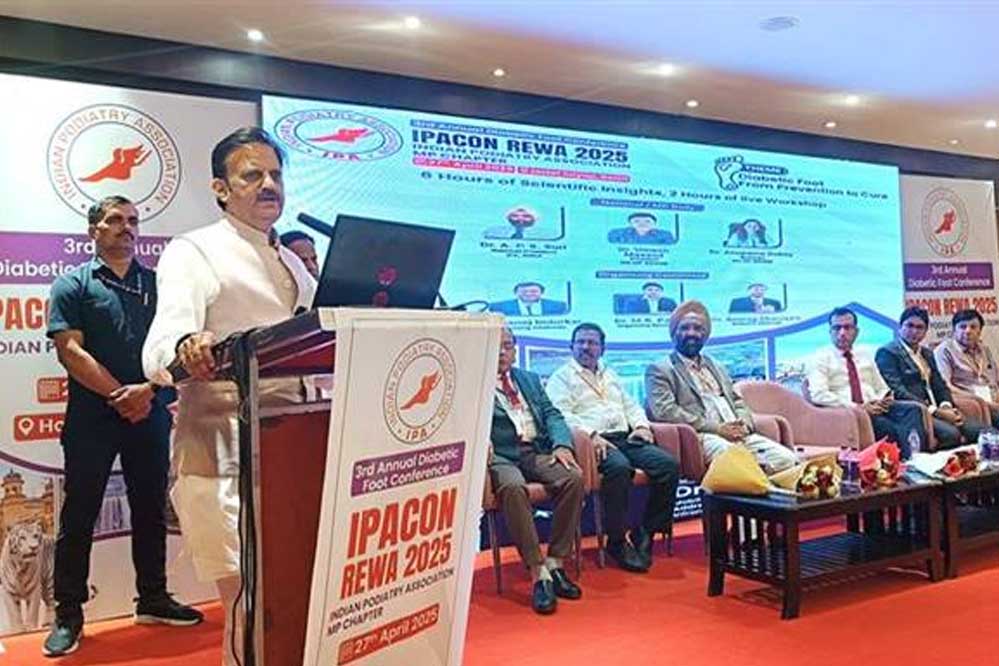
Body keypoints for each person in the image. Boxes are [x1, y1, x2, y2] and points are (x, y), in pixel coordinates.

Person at [142, 127, 315, 666]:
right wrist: (185, 347)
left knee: (293, 604)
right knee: (250, 607)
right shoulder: (195, 250)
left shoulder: (293, 264)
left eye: (276, 175)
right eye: (252, 175)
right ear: (220, 188)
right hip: (224, 456)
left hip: (298, 451)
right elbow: (158, 350)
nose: (270, 185)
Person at [44, 196, 202, 657]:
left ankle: (152, 598)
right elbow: (70, 352)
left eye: (133, 220)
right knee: (79, 514)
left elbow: (179, 348)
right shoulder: (72, 284)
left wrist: (146, 394)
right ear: (93, 230)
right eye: (115, 220)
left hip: (149, 411)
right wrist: (121, 395)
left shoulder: (158, 285)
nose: (126, 227)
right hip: (92, 418)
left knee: (150, 507)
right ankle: (68, 613)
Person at [547, 323, 679, 572]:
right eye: (580, 342)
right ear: (571, 346)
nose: (586, 347)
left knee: (668, 466)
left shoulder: (610, 374)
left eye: (592, 343)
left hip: (625, 436)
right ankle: (616, 542)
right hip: (593, 442)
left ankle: (646, 531)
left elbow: (630, 405)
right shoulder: (561, 378)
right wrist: (591, 435)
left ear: (602, 348)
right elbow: (560, 414)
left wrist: (641, 426)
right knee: (619, 468)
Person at [489, 328, 584, 614]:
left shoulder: (529, 379)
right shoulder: (474, 382)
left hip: (536, 450)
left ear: (515, 350)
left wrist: (562, 445)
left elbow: (553, 414)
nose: (502, 352)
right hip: (501, 454)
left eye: (507, 346)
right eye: (496, 345)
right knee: (513, 487)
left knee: (573, 477)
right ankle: (537, 572)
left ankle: (556, 562)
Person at [645, 301, 798, 475]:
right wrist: (717, 429)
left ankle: (760, 483)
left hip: (738, 435)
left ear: (705, 335)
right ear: (674, 333)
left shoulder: (716, 366)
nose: (691, 333)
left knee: (787, 459)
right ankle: (754, 481)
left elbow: (737, 401)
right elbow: (665, 412)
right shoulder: (660, 369)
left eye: (698, 328)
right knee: (739, 462)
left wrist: (744, 425)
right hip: (704, 436)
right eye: (685, 328)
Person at [807, 307, 928, 457]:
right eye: (837, 328)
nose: (842, 333)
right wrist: (859, 407)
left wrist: (882, 400)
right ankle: (901, 462)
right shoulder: (820, 358)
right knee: (887, 427)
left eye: (847, 328)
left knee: (913, 410)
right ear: (830, 332)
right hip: (849, 411)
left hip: (876, 406)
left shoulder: (865, 354)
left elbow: (881, 386)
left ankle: (917, 458)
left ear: (856, 332)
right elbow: (818, 394)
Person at [876, 307, 983, 449]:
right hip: (914, 412)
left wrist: (946, 406)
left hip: (939, 408)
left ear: (926, 331)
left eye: (919, 327)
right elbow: (898, 391)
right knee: (951, 434)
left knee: (982, 431)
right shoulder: (888, 352)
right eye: (910, 326)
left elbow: (940, 384)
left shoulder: (927, 353)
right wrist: (937, 412)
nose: (914, 331)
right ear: (900, 327)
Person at [934, 309, 999, 427]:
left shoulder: (984, 350)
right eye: (962, 327)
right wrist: (979, 399)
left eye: (973, 327)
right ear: (954, 330)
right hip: (970, 400)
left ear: (980, 331)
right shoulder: (944, 350)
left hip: (992, 397)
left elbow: (996, 378)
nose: (968, 331)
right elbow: (945, 385)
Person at [489, 281, 568, 316]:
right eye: (524, 291)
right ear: (516, 293)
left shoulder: (559, 306)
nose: (529, 294)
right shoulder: (498, 307)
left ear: (542, 293)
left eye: (533, 291)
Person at [607, 212, 675, 245]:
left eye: (647, 221)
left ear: (654, 224)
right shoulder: (619, 234)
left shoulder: (665, 235)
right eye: (636, 221)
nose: (642, 224)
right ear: (630, 224)